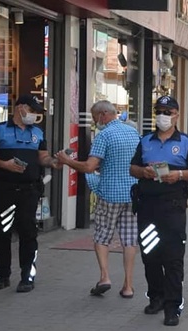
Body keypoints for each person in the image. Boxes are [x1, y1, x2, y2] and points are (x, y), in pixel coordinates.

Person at [129, 96, 188, 326]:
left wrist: (179, 175)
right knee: (150, 255)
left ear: (176, 115)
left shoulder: (186, 142)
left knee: (172, 259)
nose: (163, 115)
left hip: (172, 207)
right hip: (147, 205)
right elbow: (132, 167)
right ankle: (156, 297)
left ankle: (173, 307)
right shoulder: (146, 141)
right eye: (159, 111)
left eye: (168, 112)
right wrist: (144, 172)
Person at [55, 100, 139, 298]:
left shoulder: (104, 135)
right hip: (133, 194)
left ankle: (105, 277)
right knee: (129, 240)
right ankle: (128, 286)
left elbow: (89, 167)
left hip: (110, 194)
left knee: (102, 236)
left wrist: (67, 161)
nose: (95, 123)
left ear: (103, 114)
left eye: (94, 118)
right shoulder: (133, 133)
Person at [0, 95, 60, 293]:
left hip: (29, 190)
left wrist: (53, 162)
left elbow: (42, 157)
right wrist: (4, 164)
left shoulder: (38, 133)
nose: (35, 115)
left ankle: (27, 276)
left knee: (28, 233)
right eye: (33, 111)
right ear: (21, 108)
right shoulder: (0, 130)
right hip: (4, 189)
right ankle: (2, 276)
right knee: (3, 232)